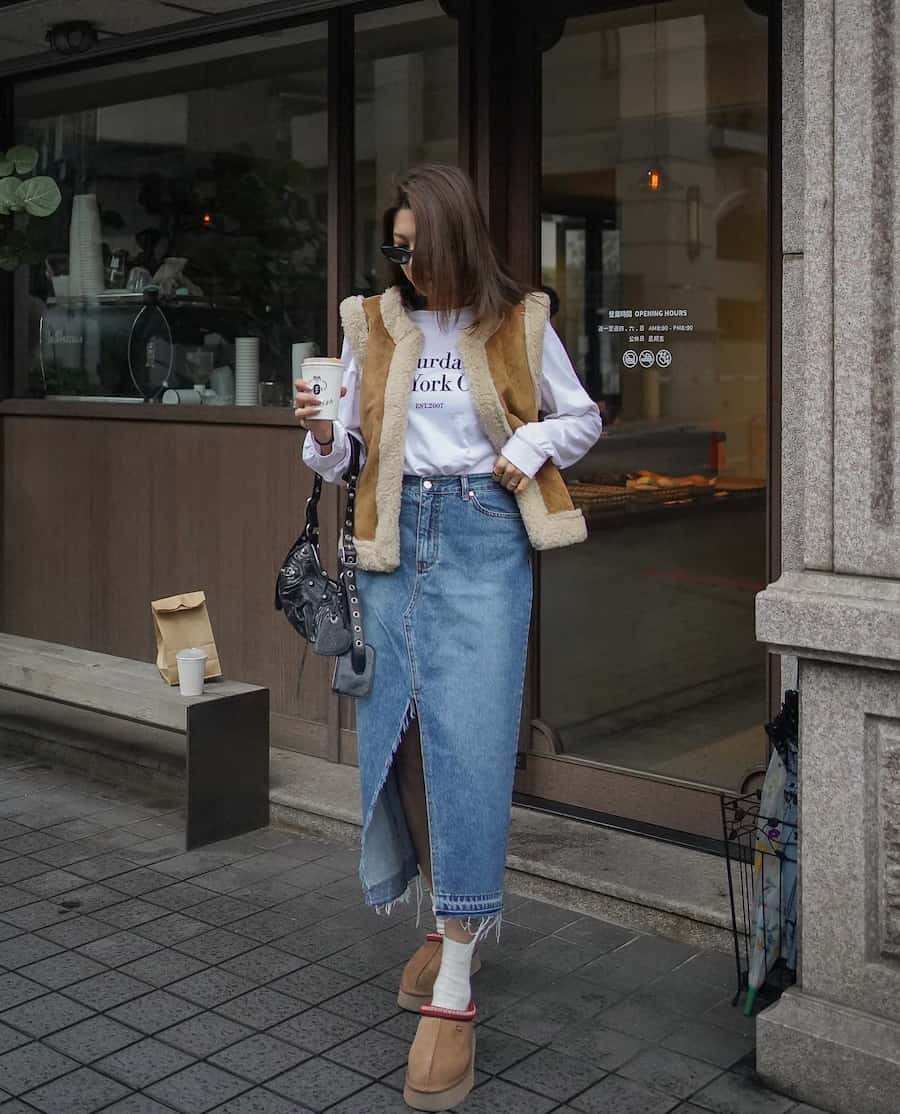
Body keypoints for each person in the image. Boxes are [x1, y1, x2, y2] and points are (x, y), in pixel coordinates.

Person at [294, 163, 602, 1111]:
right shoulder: (371, 325)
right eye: (397, 249)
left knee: (470, 745)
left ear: (456, 239)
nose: (408, 265)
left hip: (482, 539)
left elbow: (583, 418)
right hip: (392, 547)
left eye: (419, 247)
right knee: (404, 744)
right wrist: (317, 432)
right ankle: (439, 915)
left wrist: (525, 446)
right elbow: (346, 456)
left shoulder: (520, 323)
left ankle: (460, 970)